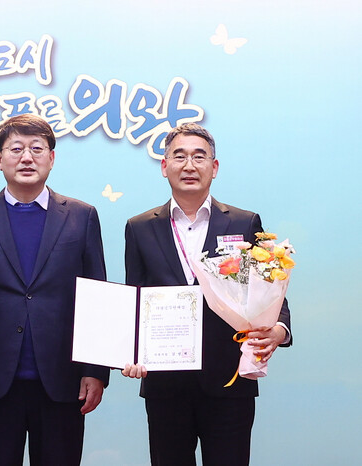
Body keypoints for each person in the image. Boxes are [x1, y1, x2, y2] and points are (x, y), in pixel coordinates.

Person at [0, 114, 109, 465]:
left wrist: (95, 370)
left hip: (62, 382)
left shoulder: (82, 216)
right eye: (16, 149)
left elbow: (97, 299)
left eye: (37, 149)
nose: (27, 158)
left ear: (52, 157)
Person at [122, 123, 292, 465]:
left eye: (199, 157)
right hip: (165, 385)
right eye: (179, 156)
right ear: (164, 166)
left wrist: (279, 329)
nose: (189, 165)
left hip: (229, 379)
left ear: (214, 167)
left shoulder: (243, 222)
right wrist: (129, 351)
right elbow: (134, 300)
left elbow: (270, 284)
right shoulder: (140, 227)